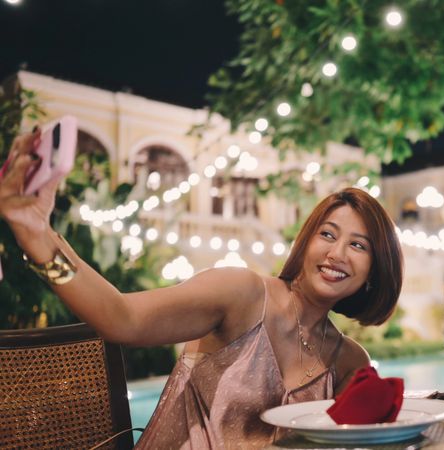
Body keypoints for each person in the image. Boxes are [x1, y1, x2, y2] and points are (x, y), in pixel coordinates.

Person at [0, 131, 404, 447]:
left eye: (357, 245)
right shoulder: (241, 292)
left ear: (374, 270)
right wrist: (38, 234)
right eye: (327, 234)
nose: (336, 254)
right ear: (306, 242)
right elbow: (123, 319)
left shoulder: (351, 360)